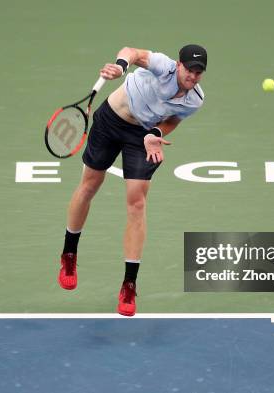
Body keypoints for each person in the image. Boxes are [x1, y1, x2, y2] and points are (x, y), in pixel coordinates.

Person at [57, 44, 207, 316]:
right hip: (110, 121)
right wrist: (121, 66)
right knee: (90, 185)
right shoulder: (163, 66)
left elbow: (174, 119)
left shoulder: (194, 99)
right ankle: (69, 254)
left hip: (143, 137)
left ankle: (129, 284)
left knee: (137, 204)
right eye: (190, 69)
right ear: (179, 64)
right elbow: (133, 52)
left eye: (199, 72)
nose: (193, 76)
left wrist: (156, 132)